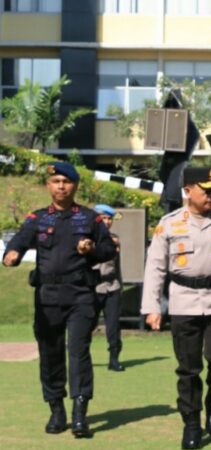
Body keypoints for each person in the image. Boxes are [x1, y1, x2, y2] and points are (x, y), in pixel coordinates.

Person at [141, 166, 211, 449]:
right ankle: (191, 422)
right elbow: (155, 267)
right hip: (183, 300)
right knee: (188, 369)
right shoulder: (168, 224)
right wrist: (152, 307)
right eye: (206, 190)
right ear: (188, 190)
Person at [2, 161, 116, 438]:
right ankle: (56, 409)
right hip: (47, 298)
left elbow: (108, 249)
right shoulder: (38, 218)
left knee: (78, 353)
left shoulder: (89, 218)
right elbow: (18, 241)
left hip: (80, 296)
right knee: (50, 354)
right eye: (56, 182)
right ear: (48, 186)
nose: (61, 186)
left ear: (75, 185)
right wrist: (12, 255)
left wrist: (90, 249)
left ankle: (79, 414)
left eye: (66, 182)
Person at [93, 204, 125, 372]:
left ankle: (114, 359)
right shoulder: (86, 238)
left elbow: (117, 266)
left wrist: (120, 285)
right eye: (103, 218)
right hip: (93, 287)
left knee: (113, 326)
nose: (107, 222)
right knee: (87, 324)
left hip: (112, 286)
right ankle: (78, 354)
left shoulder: (115, 239)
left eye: (109, 219)